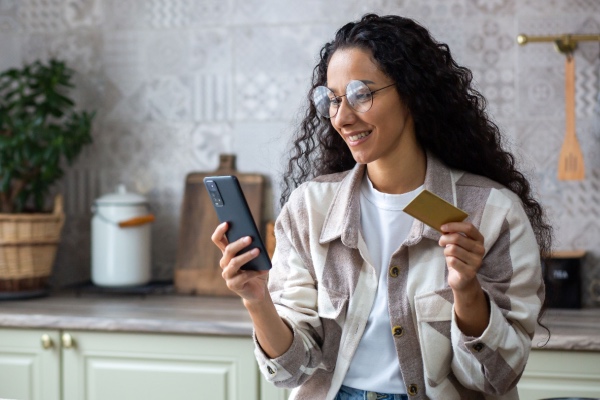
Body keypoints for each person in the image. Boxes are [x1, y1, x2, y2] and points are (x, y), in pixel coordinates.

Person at [211, 14, 552, 400]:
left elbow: (495, 378)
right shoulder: (310, 208)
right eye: (334, 99)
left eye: (361, 94)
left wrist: (468, 293)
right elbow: (292, 371)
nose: (342, 116)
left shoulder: (493, 212)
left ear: (411, 92)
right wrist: (257, 300)